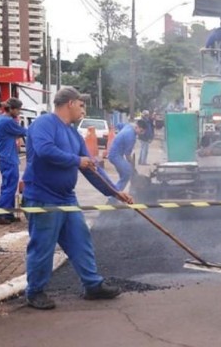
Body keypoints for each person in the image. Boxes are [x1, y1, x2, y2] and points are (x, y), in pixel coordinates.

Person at [22, 87, 134, 310]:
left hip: (66, 199)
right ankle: (35, 291)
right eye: (81, 105)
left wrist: (114, 191)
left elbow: (90, 167)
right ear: (70, 103)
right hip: (43, 199)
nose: (83, 110)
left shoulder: (73, 133)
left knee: (80, 241)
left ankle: (92, 285)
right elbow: (45, 151)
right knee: (42, 247)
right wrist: (76, 160)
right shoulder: (44, 124)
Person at [0, 98, 27, 225]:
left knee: (7, 185)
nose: (19, 112)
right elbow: (25, 132)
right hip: (9, 157)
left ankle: (8, 212)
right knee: (10, 186)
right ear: (11, 109)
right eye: (18, 109)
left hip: (3, 157)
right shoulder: (8, 121)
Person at [107, 120, 145, 193]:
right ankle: (114, 196)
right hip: (116, 156)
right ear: (137, 127)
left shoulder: (128, 126)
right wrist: (132, 166)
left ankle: (121, 192)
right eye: (141, 131)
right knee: (127, 173)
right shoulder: (131, 137)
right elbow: (127, 155)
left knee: (123, 174)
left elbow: (118, 124)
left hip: (114, 154)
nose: (141, 133)